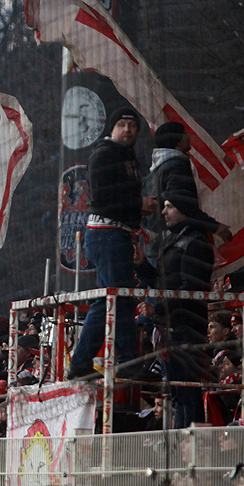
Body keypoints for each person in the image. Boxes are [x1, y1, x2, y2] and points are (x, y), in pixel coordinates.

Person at [68, 106, 157, 380]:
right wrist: (137, 204)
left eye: (133, 126)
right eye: (122, 125)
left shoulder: (128, 157)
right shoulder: (104, 155)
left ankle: (83, 362)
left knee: (112, 299)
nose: (127, 130)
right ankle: (125, 362)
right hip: (106, 233)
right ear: (112, 128)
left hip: (116, 233)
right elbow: (101, 198)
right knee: (119, 298)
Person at [139, 194, 215, 427]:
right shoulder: (174, 239)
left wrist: (157, 308)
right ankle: (181, 442)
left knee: (187, 392)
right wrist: (141, 264)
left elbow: (190, 289)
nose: (164, 212)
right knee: (177, 394)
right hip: (170, 327)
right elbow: (161, 282)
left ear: (184, 209)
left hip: (186, 327)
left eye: (170, 207)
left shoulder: (196, 243)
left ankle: (191, 443)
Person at [143, 121, 232, 263]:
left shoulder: (155, 172)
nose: (188, 136)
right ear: (178, 141)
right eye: (184, 133)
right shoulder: (176, 166)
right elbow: (182, 204)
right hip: (174, 246)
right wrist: (214, 226)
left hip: (156, 247)